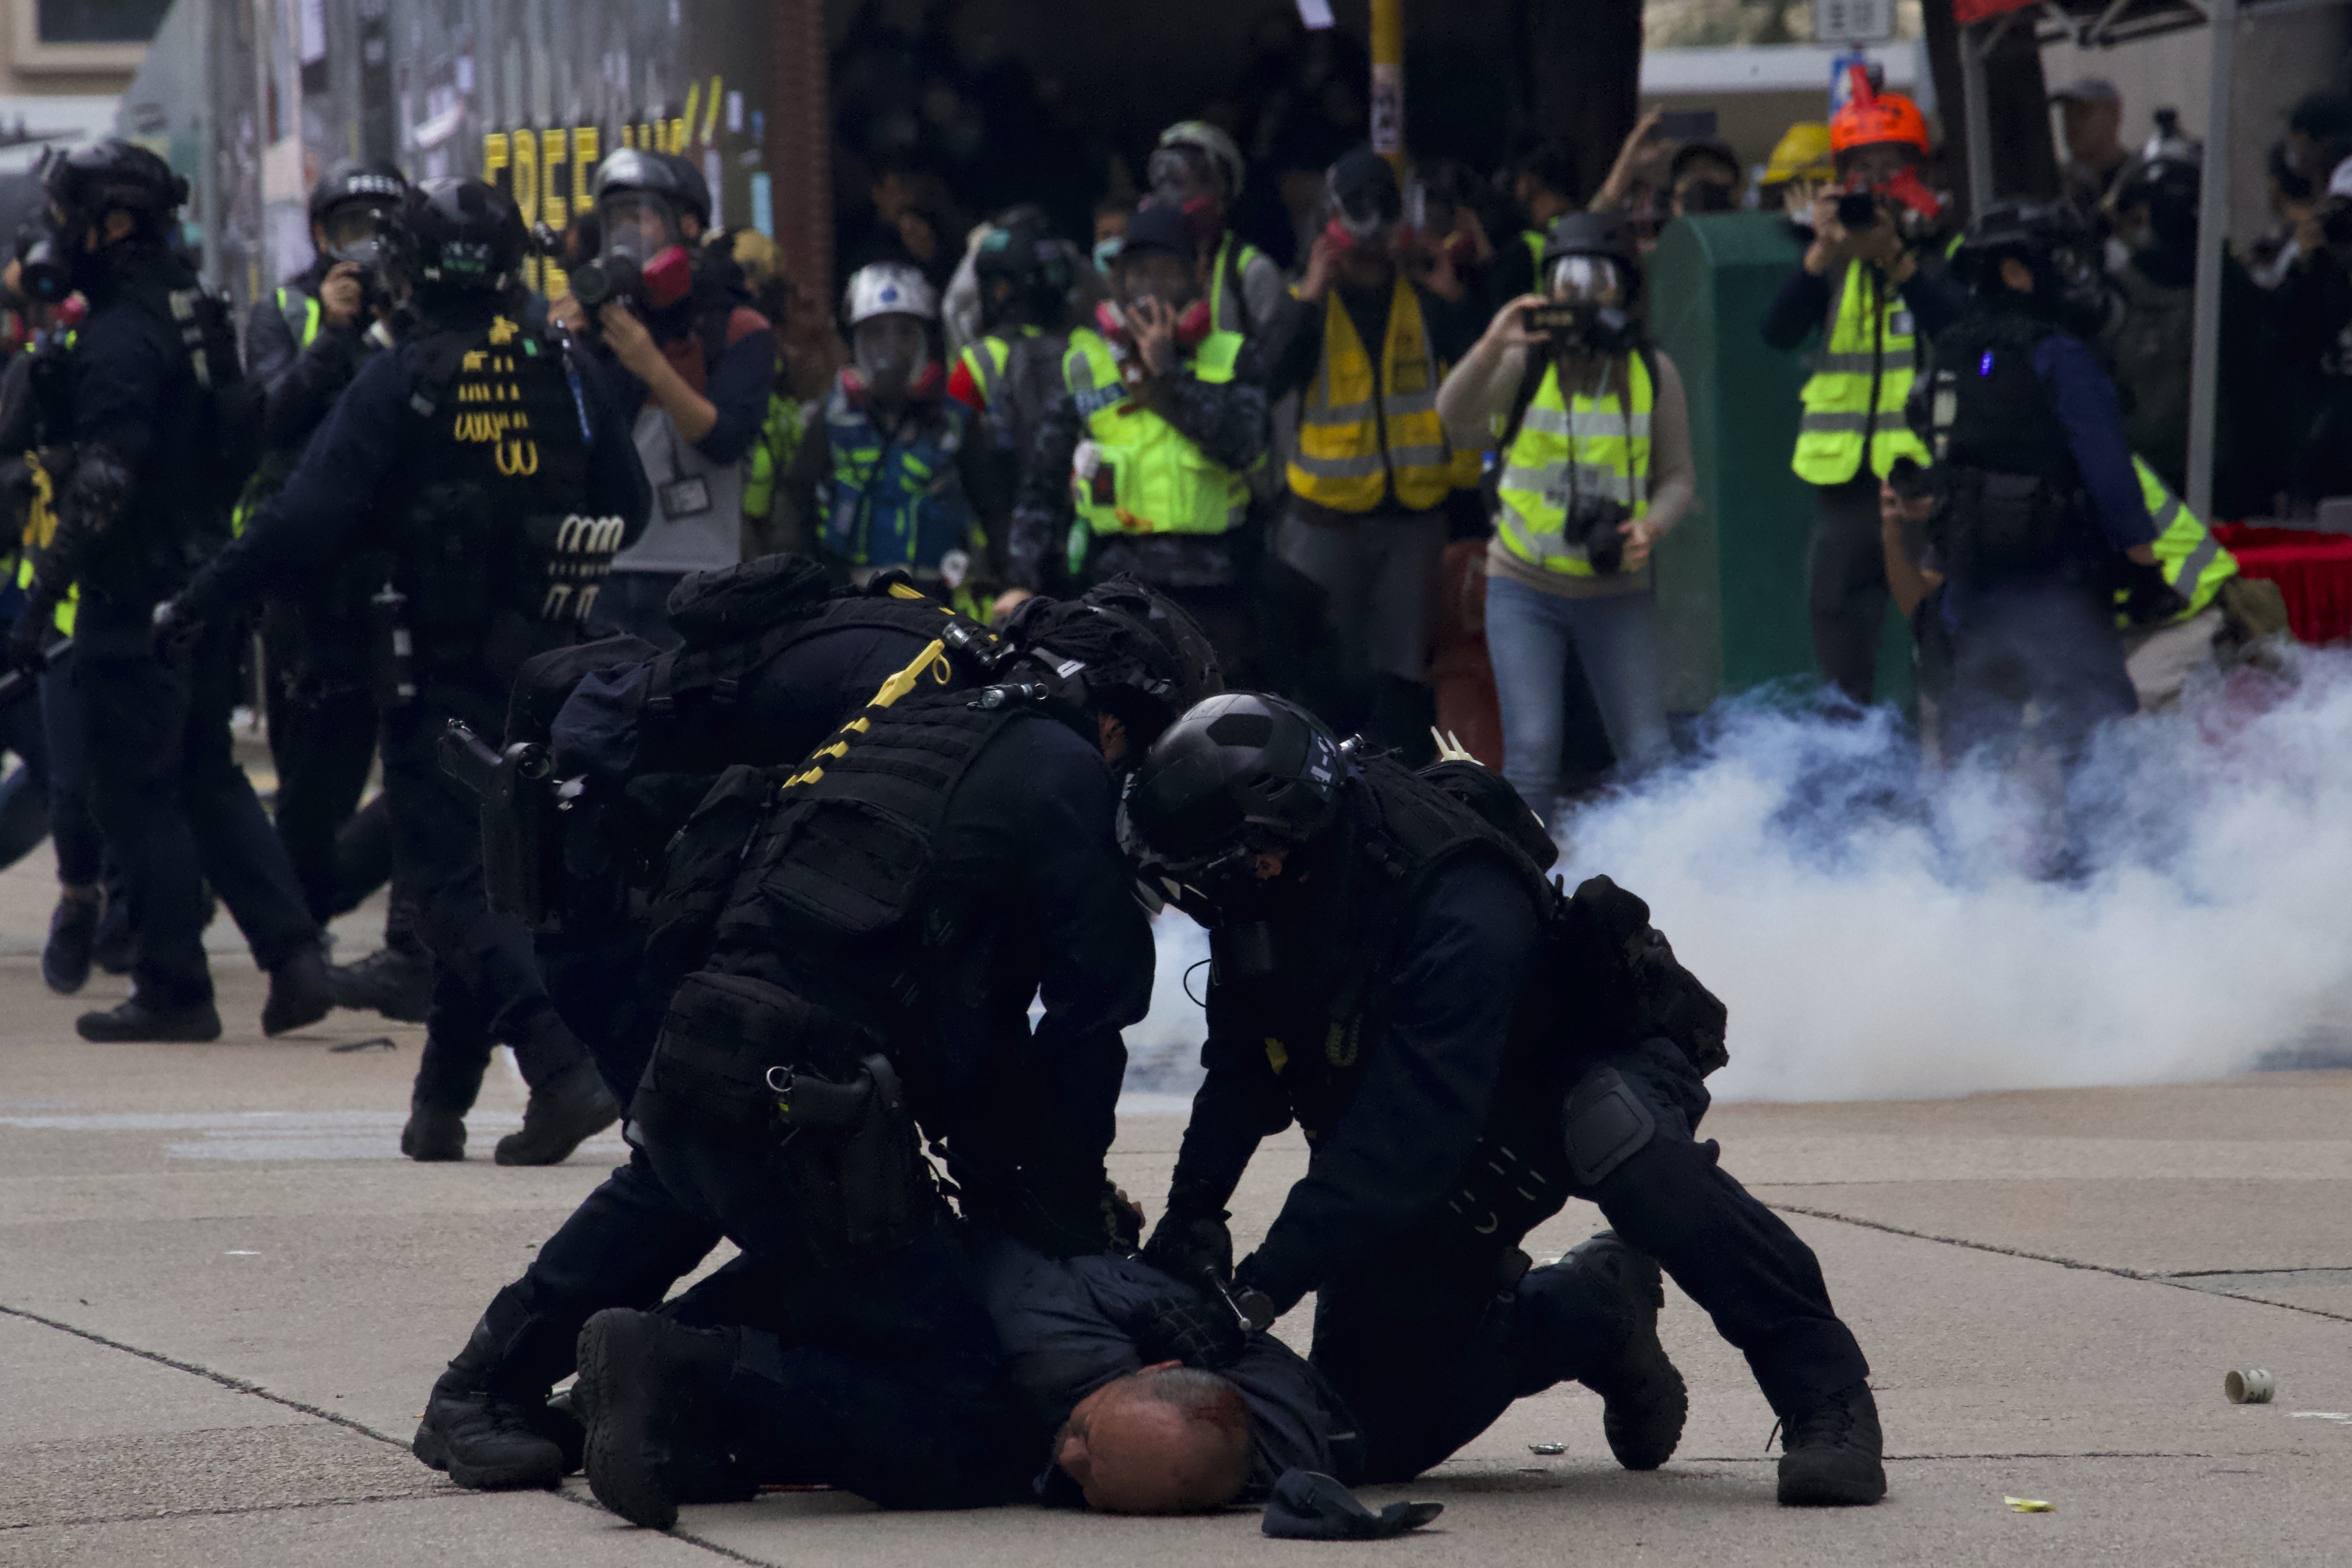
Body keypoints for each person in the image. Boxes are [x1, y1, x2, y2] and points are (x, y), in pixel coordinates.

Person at [406, 591, 1218, 1528]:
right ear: (1115, 721)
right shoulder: (1066, 773)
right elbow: (1087, 1026)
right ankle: (678, 1372)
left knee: (695, 1184)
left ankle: (484, 1387)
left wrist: (1000, 1178)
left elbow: (956, 1014)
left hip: (705, 1025)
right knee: (974, 1419)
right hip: (817, 1108)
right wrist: (1069, 1213)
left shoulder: (910, 718)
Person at [1120, 692, 1888, 1508]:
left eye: (1204, 875)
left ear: (1268, 849)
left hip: (1574, 1068)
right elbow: (1244, 1060)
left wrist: (1254, 1294)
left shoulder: (1454, 896)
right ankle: (1588, 1312)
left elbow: (1405, 1142)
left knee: (1621, 1143)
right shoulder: (1265, 895)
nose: (1196, 899)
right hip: (1447, 1114)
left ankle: (1825, 1395)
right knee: (1365, 1432)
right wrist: (1191, 1215)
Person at [160, 178, 650, 1162]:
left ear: (414, 266)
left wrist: (202, 597)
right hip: (544, 657)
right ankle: (441, 1107)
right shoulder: (561, 363)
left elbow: (302, 520)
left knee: (446, 886)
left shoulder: (401, 378)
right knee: (484, 871)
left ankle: (562, 1064)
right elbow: (628, 506)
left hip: (430, 664)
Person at [7, 140, 334, 1043]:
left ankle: (174, 987)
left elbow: (106, 485)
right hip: (203, 584)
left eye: (73, 213)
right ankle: (294, 956)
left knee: (138, 794)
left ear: (112, 223)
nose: (58, 232)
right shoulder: (193, 308)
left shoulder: (120, 335)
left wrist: (36, 611)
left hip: (137, 598)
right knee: (208, 778)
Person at [1906, 202, 2160, 864]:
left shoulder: (1954, 354)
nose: (2072, 277)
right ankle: (2096, 879)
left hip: (1972, 587)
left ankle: (1964, 878)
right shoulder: (2060, 356)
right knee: (2090, 739)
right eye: (2060, 262)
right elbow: (2108, 469)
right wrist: (2144, 561)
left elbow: (1940, 457)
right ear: (2017, 271)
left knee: (1976, 744)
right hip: (2059, 586)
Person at [242, 159, 434, 1025]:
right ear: (320, 236)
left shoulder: (426, 314)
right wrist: (333, 334)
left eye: (380, 223)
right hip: (306, 582)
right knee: (313, 774)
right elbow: (269, 421)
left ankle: (380, 935)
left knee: (414, 763)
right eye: (347, 222)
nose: (362, 239)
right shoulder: (284, 310)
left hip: (402, 573)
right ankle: (299, 935)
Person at [1438, 214, 1694, 820]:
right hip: (1523, 581)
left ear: (1624, 291)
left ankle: (1676, 880)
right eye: (1566, 282)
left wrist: (1652, 525)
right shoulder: (1525, 364)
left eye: (1597, 281)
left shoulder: (1652, 372)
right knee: (1531, 749)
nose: (1580, 297)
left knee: (1649, 751)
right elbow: (1450, 417)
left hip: (1617, 586)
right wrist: (1492, 343)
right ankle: (1522, 891)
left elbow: (1678, 477)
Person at [1253, 147, 1482, 756]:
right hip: (1324, 520)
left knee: (1405, 672)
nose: (1371, 228)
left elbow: (1480, 377)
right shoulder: (1308, 303)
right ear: (1332, 217)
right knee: (1316, 666)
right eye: (1358, 210)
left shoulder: (1425, 299)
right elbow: (1264, 379)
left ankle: (1399, 787)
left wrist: (1450, 297)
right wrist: (1307, 296)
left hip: (1411, 522)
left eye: (1383, 209)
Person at [1760, 76, 1967, 707]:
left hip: (1922, 489)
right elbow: (1777, 332)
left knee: (1935, 649)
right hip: (1845, 489)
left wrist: (1898, 260)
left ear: (1918, 171)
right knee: (1840, 653)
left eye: (1890, 165)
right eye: (1860, 168)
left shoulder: (1944, 249)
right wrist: (1824, 251)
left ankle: (1937, 776)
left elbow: (1960, 331)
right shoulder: (1830, 258)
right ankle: (1857, 786)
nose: (1875, 181)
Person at [999, 200, 1270, 670]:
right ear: (1116, 282)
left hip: (1214, 584)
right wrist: (1023, 580)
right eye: (1137, 276)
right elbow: (1040, 488)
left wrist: (1167, 376)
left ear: (1196, 280)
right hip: (1116, 582)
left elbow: (1243, 445)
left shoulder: (1232, 357)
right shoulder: (1085, 365)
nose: (1151, 292)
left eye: (1167, 275)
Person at [560, 150, 778, 652]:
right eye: (615, 220)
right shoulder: (601, 324)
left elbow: (724, 440)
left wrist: (650, 363)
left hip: (698, 570)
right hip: (604, 568)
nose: (627, 233)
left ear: (688, 224)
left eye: (641, 215)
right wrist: (563, 351)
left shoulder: (736, 326)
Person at [780, 261, 1001, 618]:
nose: (890, 349)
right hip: (853, 595)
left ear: (926, 341)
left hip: (938, 596)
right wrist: (809, 579)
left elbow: (992, 508)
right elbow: (796, 498)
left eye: (904, 333)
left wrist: (1004, 582)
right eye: (876, 333)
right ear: (855, 343)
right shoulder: (833, 417)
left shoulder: (956, 420)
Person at [948, 208, 1075, 519]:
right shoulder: (1085, 347)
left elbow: (951, 445)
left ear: (1001, 289)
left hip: (1003, 519)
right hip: (1073, 515)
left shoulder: (978, 359)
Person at [1150, 120, 1286, 340]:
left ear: (1224, 190)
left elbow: (1275, 364)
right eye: (1164, 178)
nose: (1173, 195)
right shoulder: (1146, 273)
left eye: (1200, 176)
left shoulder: (1251, 273)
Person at [2051, 78, 2130, 214]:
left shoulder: (2138, 176)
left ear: (2113, 115)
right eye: (2067, 114)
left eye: (2083, 112)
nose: (2073, 123)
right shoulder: (2057, 183)